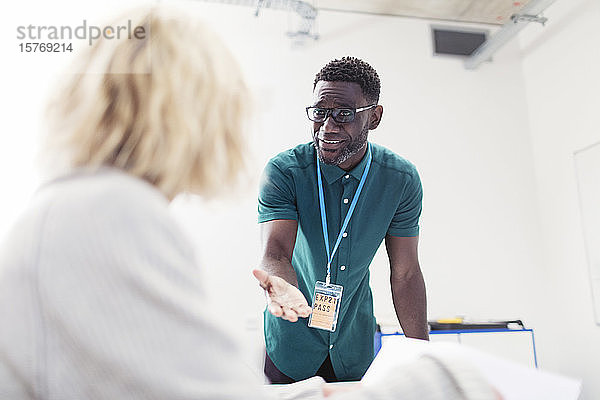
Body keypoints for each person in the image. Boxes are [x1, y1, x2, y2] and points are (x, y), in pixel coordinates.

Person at [0, 6, 497, 400]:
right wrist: (438, 381)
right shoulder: (111, 215)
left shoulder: (82, 207)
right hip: (294, 348)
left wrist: (409, 360)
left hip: (352, 340)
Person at [254, 56, 428, 383]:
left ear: (374, 117)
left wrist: (423, 354)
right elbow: (275, 252)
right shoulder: (284, 172)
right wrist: (281, 289)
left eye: (343, 114)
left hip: (353, 345)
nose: (328, 127)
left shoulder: (400, 179)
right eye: (320, 112)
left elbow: (405, 274)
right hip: (291, 345)